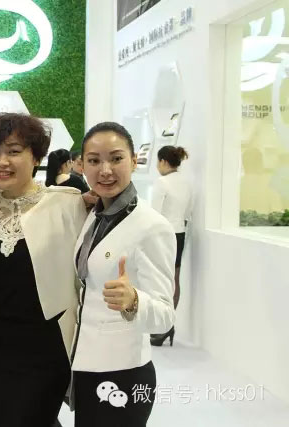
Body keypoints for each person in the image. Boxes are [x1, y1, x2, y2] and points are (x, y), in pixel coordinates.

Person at [0, 113, 87, 426]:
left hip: (44, 347)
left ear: (36, 157)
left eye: (13, 151)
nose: (2, 162)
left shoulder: (68, 205)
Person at [71, 122, 175, 427]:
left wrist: (134, 300)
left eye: (116, 158)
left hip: (124, 372)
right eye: (94, 160)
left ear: (133, 160)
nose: (105, 170)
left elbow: (165, 317)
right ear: (82, 165)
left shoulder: (152, 226)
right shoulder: (96, 214)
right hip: (88, 367)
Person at [150, 145, 192, 346]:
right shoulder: (186, 183)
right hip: (180, 233)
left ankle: (161, 326)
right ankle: (168, 326)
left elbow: (154, 214)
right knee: (174, 279)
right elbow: (187, 213)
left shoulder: (162, 182)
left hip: (163, 235)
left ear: (163, 161)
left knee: (160, 279)